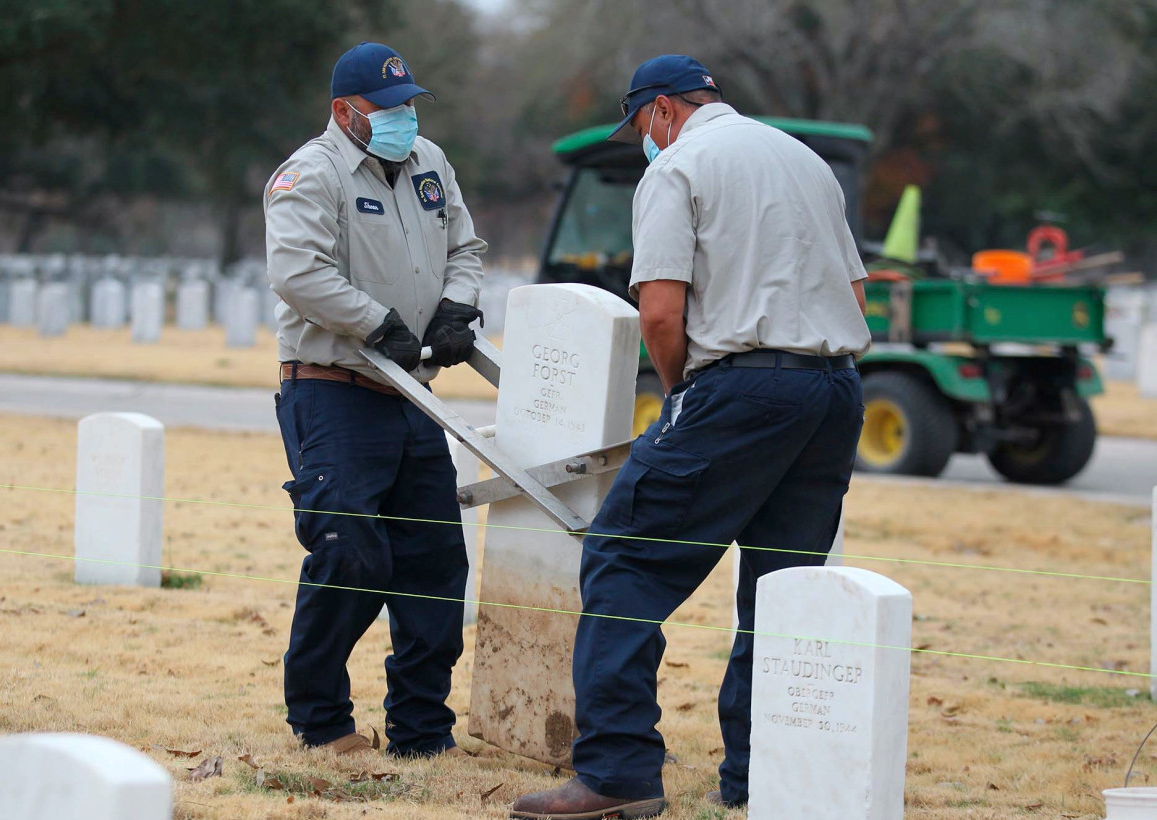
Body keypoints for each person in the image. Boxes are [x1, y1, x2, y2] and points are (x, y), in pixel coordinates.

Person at [511, 55, 871, 819]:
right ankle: (758, 777)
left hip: (741, 384)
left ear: (664, 110)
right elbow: (856, 288)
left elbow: (662, 313)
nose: (644, 139)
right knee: (784, 589)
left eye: (642, 125)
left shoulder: (679, 167)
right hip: (834, 387)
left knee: (621, 559)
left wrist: (681, 395)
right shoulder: (802, 159)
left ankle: (616, 773)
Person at [263, 41, 487, 757]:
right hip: (334, 393)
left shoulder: (432, 164)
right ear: (344, 112)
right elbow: (297, 271)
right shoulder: (310, 174)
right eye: (387, 110)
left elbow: (466, 248)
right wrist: (376, 324)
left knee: (434, 563)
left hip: (410, 394)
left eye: (409, 106)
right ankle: (321, 719)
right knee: (348, 551)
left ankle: (422, 729)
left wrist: (456, 308)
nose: (403, 120)